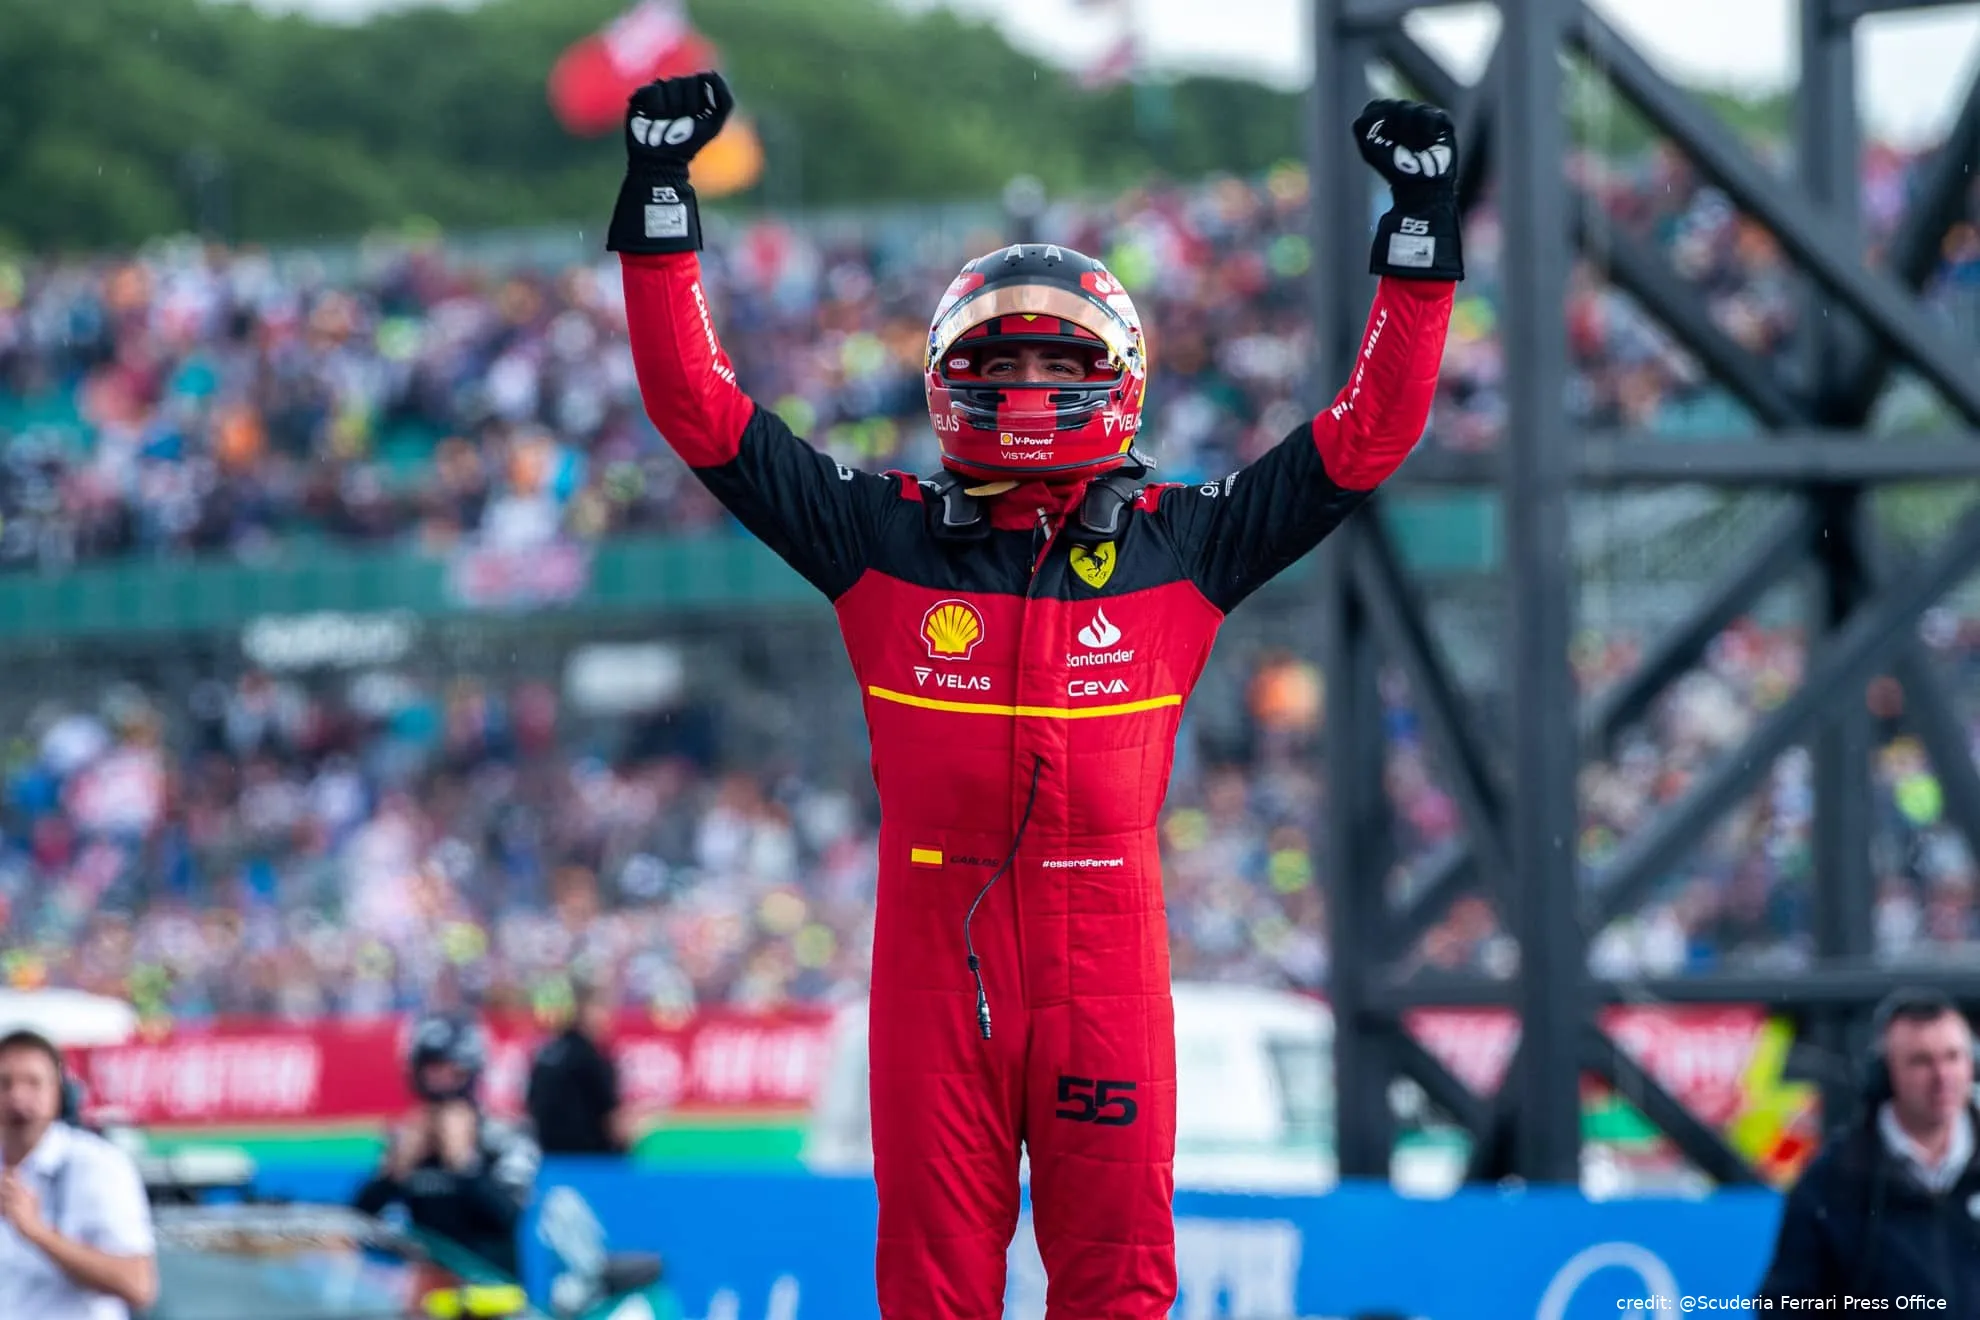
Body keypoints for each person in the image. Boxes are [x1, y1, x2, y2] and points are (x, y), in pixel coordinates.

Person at [604, 72, 1462, 1318]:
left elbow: (1369, 432)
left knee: (1117, 1287)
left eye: (1057, 361)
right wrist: (658, 199)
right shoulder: (877, 532)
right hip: (931, 968)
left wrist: (1421, 234)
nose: (1024, 385)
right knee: (932, 1292)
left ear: (1117, 376)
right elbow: (697, 410)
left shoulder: (1186, 539)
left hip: (1105, 963)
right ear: (946, 378)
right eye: (997, 361)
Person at [1756, 988, 1980, 1307]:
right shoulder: (1832, 1180)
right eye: (1921, 1061)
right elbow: (1786, 1303)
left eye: (1953, 1056)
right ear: (1885, 1074)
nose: (1942, 1076)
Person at [354, 1013, 540, 1277]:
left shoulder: (505, 1135)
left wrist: (464, 1162)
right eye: (432, 1070)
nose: (441, 1081)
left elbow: (509, 1218)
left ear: (470, 1072)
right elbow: (360, 1223)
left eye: (452, 1071)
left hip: (489, 1286)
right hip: (426, 1286)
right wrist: (394, 1173)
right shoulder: (405, 1136)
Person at [0, 1028, 157, 1320]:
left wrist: (36, 1232)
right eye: (4, 1083)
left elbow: (138, 1285)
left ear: (59, 1092)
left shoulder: (99, 1165)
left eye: (33, 1083)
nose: (17, 1097)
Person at [527, 981, 629, 1157]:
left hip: (547, 1152)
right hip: (587, 1156)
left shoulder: (547, 1050)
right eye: (602, 1008)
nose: (608, 1016)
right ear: (583, 1011)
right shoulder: (590, 1056)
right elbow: (610, 1115)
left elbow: (531, 1101)